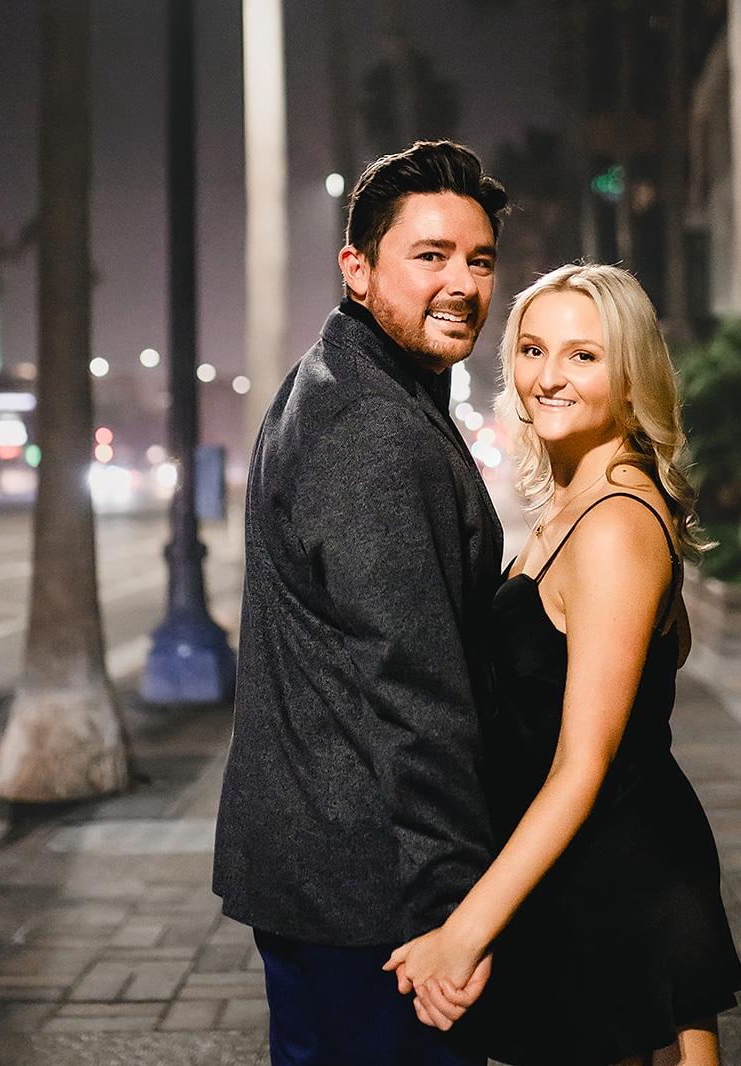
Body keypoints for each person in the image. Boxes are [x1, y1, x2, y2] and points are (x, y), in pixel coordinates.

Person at [385, 263, 741, 1066]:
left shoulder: (616, 523)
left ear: (632, 375)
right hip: (575, 872)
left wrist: (462, 935)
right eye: (533, 350)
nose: (548, 376)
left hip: (619, 880)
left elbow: (584, 764)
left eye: (583, 356)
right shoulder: (574, 503)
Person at [212, 141, 509, 1066]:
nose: (462, 283)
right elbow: (413, 689)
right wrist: (455, 912)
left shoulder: (335, 378)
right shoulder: (376, 432)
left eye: (480, 259)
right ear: (358, 268)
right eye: (430, 255)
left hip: (313, 869)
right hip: (377, 895)